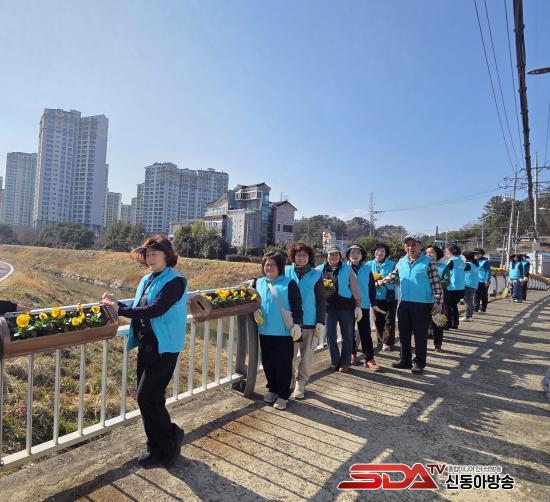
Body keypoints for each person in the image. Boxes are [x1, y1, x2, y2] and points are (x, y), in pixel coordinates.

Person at [101, 235, 187, 468]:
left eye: (154, 254)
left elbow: (155, 310)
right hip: (147, 345)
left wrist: (120, 310)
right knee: (151, 399)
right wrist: (117, 304)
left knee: (146, 397)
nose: (150, 258)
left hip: (165, 348)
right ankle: (155, 446)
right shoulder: (147, 280)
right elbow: (140, 308)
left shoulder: (175, 282)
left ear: (167, 255)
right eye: (147, 254)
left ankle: (170, 440)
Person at [378, 235, 443, 374]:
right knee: (404, 333)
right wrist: (378, 283)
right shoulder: (401, 261)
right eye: (408, 245)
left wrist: (438, 301)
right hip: (405, 302)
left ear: (420, 246)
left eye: (414, 244)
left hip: (423, 303)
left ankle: (419, 362)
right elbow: (394, 276)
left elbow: (435, 282)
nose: (410, 247)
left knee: (420, 335)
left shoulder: (428, 261)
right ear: (404, 247)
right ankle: (405, 360)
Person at [254, 252, 303, 410]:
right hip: (264, 331)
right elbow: (252, 299)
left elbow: (297, 306)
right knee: (268, 363)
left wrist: (297, 324)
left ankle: (283, 395)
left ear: (280, 266)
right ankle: (272, 389)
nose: (269, 267)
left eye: (273, 264)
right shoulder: (259, 282)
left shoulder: (289, 283)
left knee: (283, 364)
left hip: (283, 332)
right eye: (266, 264)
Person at [285, 243, 325, 399]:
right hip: (291, 322)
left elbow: (321, 300)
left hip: (310, 321)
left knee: (306, 356)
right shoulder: (286, 272)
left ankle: (300, 383)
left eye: (304, 255)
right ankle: (288, 382)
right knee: (289, 355)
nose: (301, 258)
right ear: (293, 257)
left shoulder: (316, 275)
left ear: (309, 257)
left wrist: (320, 321)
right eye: (298, 255)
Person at [317, 245, 362, 373]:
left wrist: (358, 305)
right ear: (326, 256)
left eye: (336, 254)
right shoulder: (319, 270)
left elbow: (354, 287)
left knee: (347, 335)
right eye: (331, 254)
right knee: (330, 335)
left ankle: (345, 362)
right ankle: (335, 361)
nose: (334, 257)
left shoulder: (347, 269)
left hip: (346, 306)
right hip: (329, 307)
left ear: (340, 256)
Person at [346, 244, 380, 371]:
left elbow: (371, 288)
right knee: (349, 331)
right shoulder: (344, 268)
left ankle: (369, 358)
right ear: (348, 255)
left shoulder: (367, 269)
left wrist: (374, 303)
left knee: (365, 332)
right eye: (352, 252)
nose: (355, 255)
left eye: (358, 253)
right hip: (348, 305)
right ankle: (352, 354)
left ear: (362, 255)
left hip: (364, 305)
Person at [367, 243, 397, 352]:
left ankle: (387, 342)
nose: (380, 253)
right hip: (375, 297)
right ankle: (380, 340)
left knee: (389, 320)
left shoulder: (393, 264)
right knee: (377, 320)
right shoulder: (368, 264)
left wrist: (382, 281)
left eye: (382, 251)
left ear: (386, 253)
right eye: (377, 250)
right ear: (374, 252)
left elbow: (396, 278)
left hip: (390, 296)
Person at [425, 245, 448, 352]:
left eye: (431, 252)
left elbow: (447, 281)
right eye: (426, 253)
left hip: (438, 298)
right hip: (424, 298)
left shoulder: (443, 267)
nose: (429, 255)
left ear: (437, 254)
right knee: (423, 323)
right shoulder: (422, 265)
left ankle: (438, 344)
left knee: (437, 322)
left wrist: (435, 284)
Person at [444, 244, 465, 330]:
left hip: (452, 287)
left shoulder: (452, 261)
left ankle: (447, 324)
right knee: (454, 306)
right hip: (461, 287)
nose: (445, 253)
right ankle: (455, 323)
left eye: (446, 251)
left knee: (447, 306)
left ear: (451, 252)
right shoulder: (461, 260)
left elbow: (444, 271)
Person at [460, 251, 479, 322]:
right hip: (473, 284)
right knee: (470, 301)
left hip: (468, 284)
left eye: (463, 257)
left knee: (467, 301)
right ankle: (469, 316)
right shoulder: (474, 264)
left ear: (466, 258)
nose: (462, 258)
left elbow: (459, 269)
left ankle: (467, 316)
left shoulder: (468, 264)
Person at [473, 248, 491, 313]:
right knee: (476, 295)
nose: (476, 255)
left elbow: (488, 272)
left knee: (484, 295)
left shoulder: (485, 261)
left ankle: (483, 309)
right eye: (475, 253)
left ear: (482, 254)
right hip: (476, 281)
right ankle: (475, 308)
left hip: (483, 281)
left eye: (478, 253)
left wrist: (487, 281)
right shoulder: (474, 261)